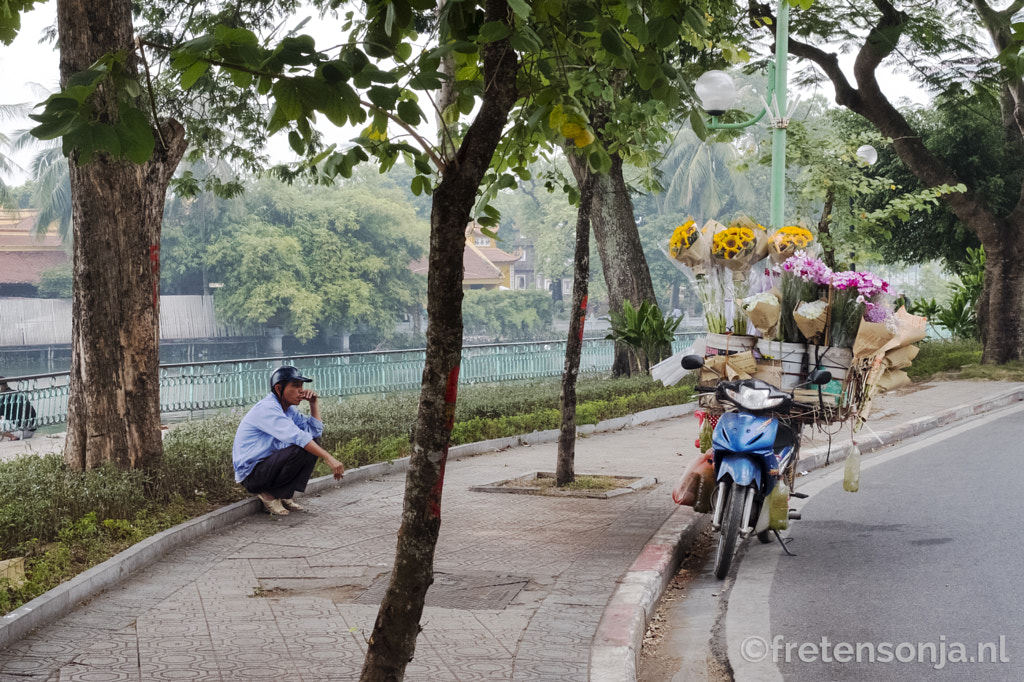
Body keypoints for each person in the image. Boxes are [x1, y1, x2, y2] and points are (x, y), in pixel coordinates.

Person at [232, 366, 346, 515]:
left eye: (302, 386)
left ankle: (282, 493)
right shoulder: (268, 409)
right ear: (279, 389)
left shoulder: (289, 409)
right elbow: (298, 437)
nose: (301, 391)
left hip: (268, 467)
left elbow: (313, 432)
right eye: (295, 386)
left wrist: (313, 404)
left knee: (312, 444)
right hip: (252, 475)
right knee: (302, 447)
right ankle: (269, 495)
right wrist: (328, 457)